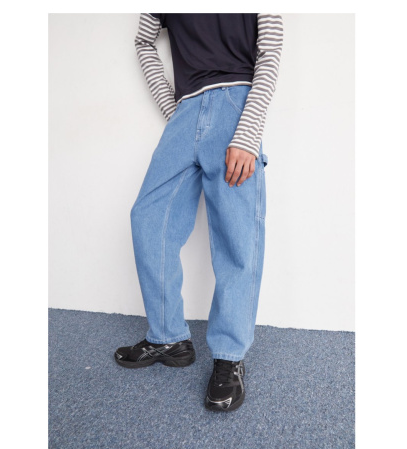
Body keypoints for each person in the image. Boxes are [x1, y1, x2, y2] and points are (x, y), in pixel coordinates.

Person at [114, 13, 283, 412]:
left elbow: (271, 49)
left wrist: (247, 133)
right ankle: (168, 337)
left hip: (236, 104)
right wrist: (173, 108)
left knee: (236, 237)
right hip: (186, 109)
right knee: (148, 218)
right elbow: (143, 41)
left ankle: (229, 357)